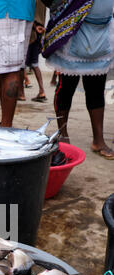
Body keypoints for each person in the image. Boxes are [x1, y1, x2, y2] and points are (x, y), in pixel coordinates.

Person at [42, 0, 114, 159]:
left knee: (96, 88)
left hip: (101, 33)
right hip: (73, 30)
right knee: (66, 87)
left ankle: (98, 140)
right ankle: (63, 135)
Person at [0, 0, 36, 127]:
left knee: (9, 69)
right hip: (8, 10)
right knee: (6, 69)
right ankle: (5, 124)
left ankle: (6, 126)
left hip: (7, 10)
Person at [25, 0, 47, 103]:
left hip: (33, 31)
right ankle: (41, 91)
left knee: (27, 64)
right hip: (39, 30)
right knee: (33, 63)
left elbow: (29, 13)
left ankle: (21, 93)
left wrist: (34, 26)